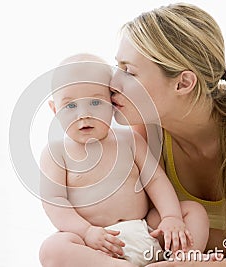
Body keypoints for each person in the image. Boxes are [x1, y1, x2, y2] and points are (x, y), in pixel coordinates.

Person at [108, 1, 226, 264]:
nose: (113, 82)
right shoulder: (142, 131)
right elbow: (150, 232)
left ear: (183, 83)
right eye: (117, 68)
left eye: (128, 71)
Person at [39, 53, 209, 267]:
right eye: (70, 106)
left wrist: (171, 217)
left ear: (112, 103)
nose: (83, 114)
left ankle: (182, 259)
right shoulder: (56, 153)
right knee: (52, 249)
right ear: (55, 110)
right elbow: (54, 202)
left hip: (147, 230)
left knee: (193, 211)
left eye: (94, 102)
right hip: (96, 244)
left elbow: (155, 179)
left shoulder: (129, 139)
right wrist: (86, 231)